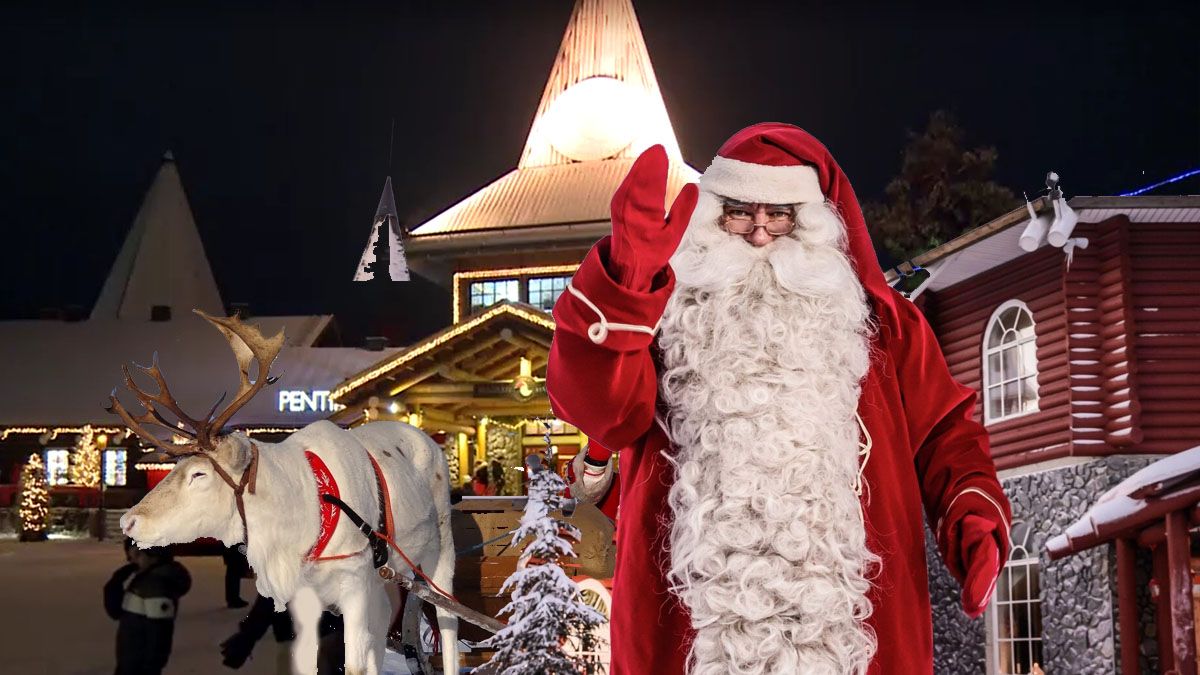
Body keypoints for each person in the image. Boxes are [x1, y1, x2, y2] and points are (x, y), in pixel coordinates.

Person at [547, 126, 1012, 675]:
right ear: (712, 218)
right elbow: (596, 410)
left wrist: (972, 512)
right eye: (740, 213)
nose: (761, 234)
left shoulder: (885, 328)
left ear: (811, 223)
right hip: (690, 628)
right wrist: (625, 286)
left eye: (781, 215)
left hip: (850, 627)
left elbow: (944, 433)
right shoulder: (662, 318)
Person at [104, 538, 192, 675]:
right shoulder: (143, 579)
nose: (132, 561)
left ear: (154, 556)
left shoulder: (156, 586)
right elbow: (116, 612)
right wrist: (114, 585)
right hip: (130, 659)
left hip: (140, 665)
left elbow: (160, 632)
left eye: (138, 556)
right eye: (130, 556)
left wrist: (152, 666)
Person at [222, 544, 250, 608]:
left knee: (233, 573)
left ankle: (233, 598)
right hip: (233, 549)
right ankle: (233, 599)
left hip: (231, 548)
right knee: (234, 574)